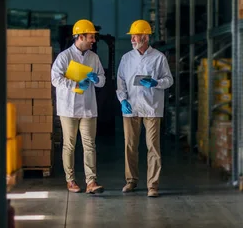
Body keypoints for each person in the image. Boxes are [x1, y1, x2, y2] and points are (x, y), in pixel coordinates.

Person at [116, 19, 174, 198]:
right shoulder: (126, 58)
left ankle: (152, 185)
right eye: (132, 36)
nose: (133, 39)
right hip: (131, 108)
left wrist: (156, 82)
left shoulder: (158, 57)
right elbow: (121, 82)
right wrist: (122, 100)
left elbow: (169, 80)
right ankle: (131, 180)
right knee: (130, 145)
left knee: (153, 147)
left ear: (146, 37)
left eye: (136, 35)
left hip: (151, 108)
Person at [51, 19, 106, 194]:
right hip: (68, 108)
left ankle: (91, 181)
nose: (93, 40)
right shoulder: (64, 57)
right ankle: (71, 180)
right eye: (91, 37)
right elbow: (55, 79)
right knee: (70, 145)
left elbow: (102, 79)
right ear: (80, 36)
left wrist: (97, 80)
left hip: (88, 108)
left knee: (89, 145)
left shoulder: (93, 57)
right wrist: (75, 84)